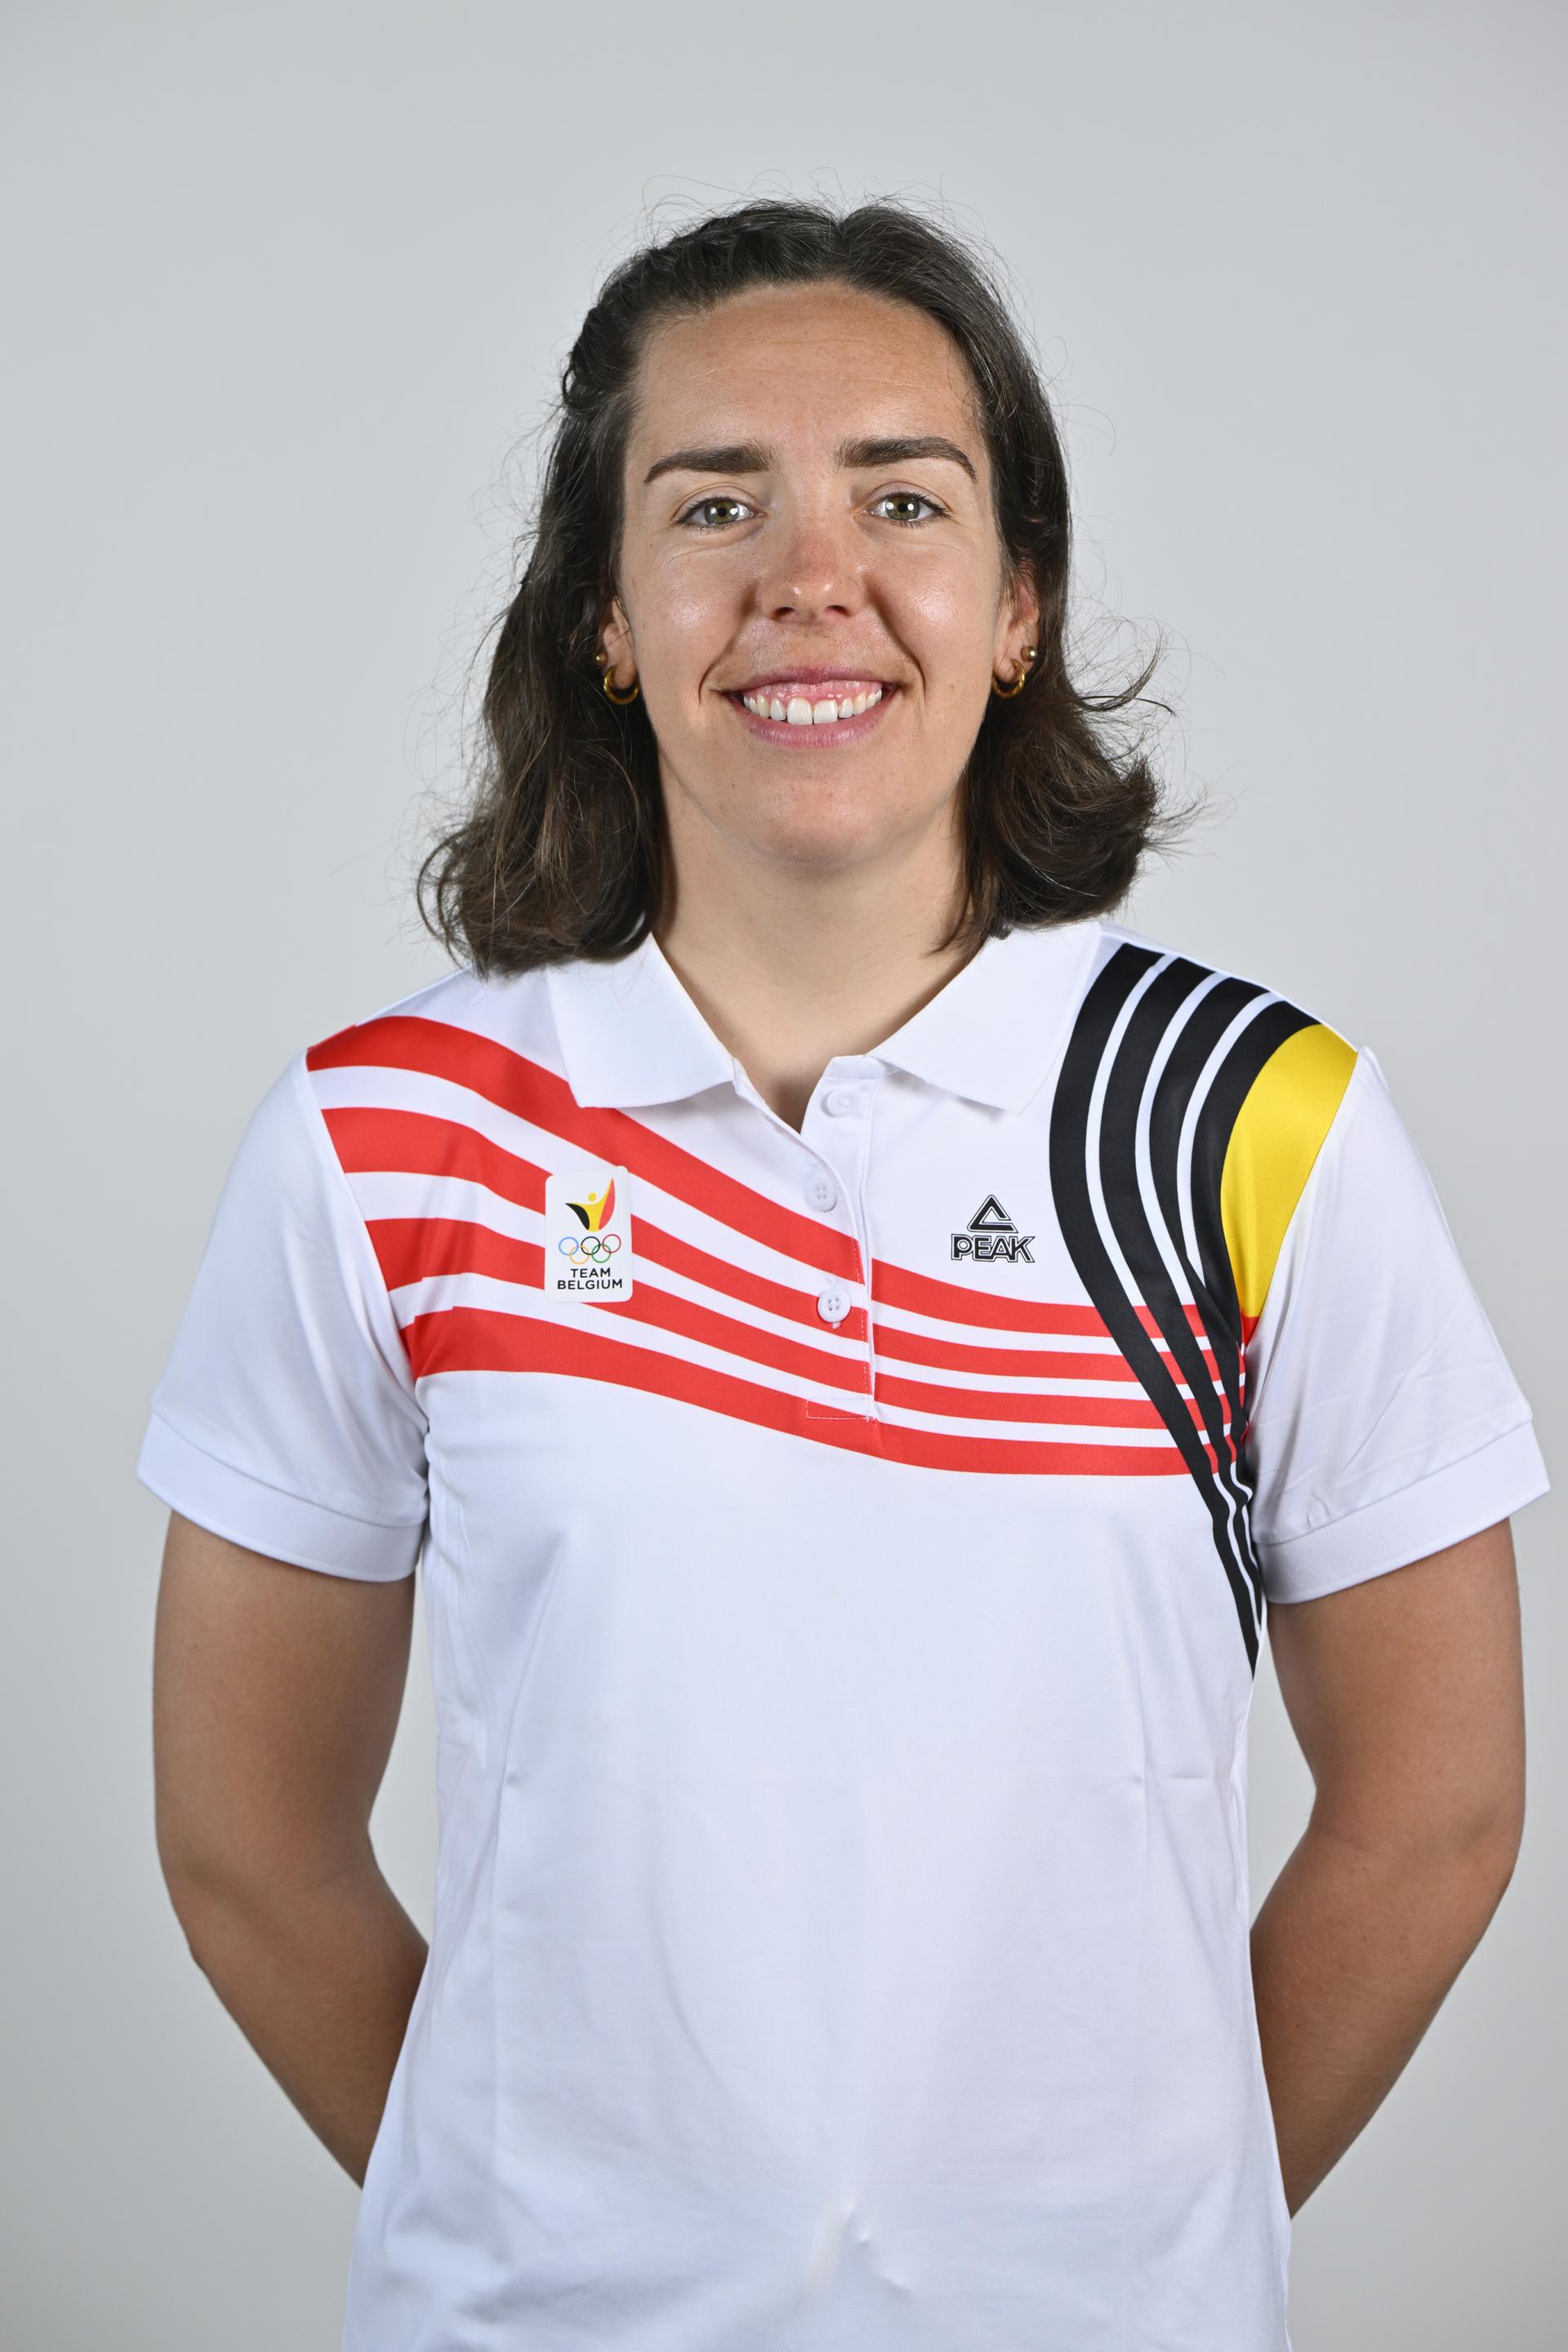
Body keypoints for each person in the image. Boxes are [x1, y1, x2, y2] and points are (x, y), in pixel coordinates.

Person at [138, 198, 1548, 2352]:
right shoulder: (381, 1138)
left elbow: (1437, 1809)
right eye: (717, 502)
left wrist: (1144, 2239)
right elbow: (249, 1846)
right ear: (609, 616)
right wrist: (532, 2228)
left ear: (1014, 606)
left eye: (905, 494)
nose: (816, 574)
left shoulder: (1252, 1125)